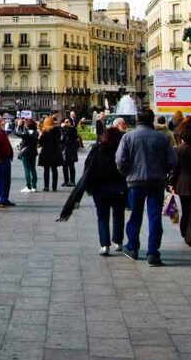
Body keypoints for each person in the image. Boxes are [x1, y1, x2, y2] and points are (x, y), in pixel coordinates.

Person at [115, 109, 177, 266]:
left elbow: (120, 160)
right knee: (155, 217)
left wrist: (127, 174)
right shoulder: (161, 138)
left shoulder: (128, 137)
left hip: (135, 182)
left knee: (135, 214)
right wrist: (163, 171)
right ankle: (153, 253)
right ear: (152, 121)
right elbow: (173, 160)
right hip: (157, 181)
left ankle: (133, 247)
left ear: (137, 120)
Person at [58, 127, 126, 255]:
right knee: (118, 215)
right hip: (119, 188)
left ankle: (105, 245)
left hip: (100, 189)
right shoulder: (121, 150)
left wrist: (89, 186)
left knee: (102, 217)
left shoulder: (97, 150)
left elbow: (88, 169)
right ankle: (119, 242)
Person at [168, 121, 191, 247]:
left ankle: (185, 232)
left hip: (182, 185)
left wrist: (171, 182)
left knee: (185, 209)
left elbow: (174, 169)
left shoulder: (177, 150)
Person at [38, 117, 62, 192]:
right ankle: (54, 186)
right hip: (55, 152)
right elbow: (59, 139)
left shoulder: (45, 131)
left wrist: (40, 135)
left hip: (46, 152)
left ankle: (46, 186)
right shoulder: (57, 130)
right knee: (54, 170)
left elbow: (40, 142)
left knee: (46, 170)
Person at [16, 118, 39, 193]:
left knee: (27, 170)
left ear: (27, 126)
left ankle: (28, 187)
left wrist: (19, 125)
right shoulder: (36, 132)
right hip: (33, 153)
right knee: (33, 169)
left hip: (25, 153)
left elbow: (16, 133)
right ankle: (34, 186)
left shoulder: (26, 133)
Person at [59, 118, 83, 187]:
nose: (67, 123)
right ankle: (66, 181)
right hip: (64, 150)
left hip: (71, 150)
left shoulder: (72, 129)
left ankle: (72, 181)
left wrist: (66, 127)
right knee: (64, 166)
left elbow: (73, 135)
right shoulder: (61, 129)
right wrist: (62, 127)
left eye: (68, 122)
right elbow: (60, 139)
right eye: (65, 122)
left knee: (71, 166)